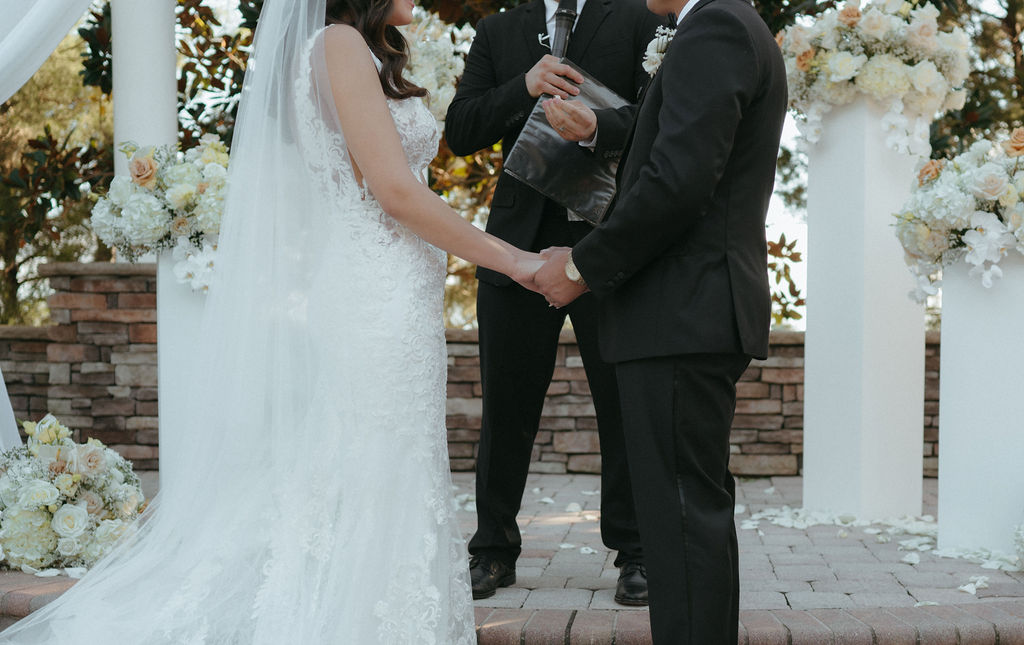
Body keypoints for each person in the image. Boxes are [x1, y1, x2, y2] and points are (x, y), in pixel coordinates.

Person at [0, 0, 544, 642]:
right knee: (373, 455)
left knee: (380, 457)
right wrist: (518, 262)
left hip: (394, 286)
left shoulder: (356, 50)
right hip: (371, 290)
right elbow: (395, 191)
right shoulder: (339, 46)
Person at [533, 0, 787, 640]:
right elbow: (665, 139)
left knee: (679, 516)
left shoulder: (717, 26)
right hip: (686, 309)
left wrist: (584, 266)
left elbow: (678, 178)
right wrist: (599, 128)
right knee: (688, 513)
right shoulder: (726, 23)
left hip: (681, 307)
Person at [444, 0, 662, 603]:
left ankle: (635, 552)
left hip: (610, 246)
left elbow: (662, 119)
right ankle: (491, 550)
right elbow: (460, 132)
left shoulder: (641, 21)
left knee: (621, 403)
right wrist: (523, 86)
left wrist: (597, 125)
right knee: (506, 405)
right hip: (517, 250)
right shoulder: (499, 31)